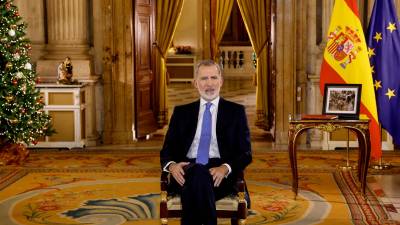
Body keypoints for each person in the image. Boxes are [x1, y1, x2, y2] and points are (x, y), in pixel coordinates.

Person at [160, 59, 252, 225]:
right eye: (203, 79)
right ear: (195, 83)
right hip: (186, 170)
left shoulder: (236, 112)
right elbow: (167, 150)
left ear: (221, 81)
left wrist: (226, 168)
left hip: (220, 174)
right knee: (198, 174)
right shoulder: (181, 113)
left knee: (197, 179)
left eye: (213, 78)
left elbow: (245, 153)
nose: (209, 84)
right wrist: (172, 166)